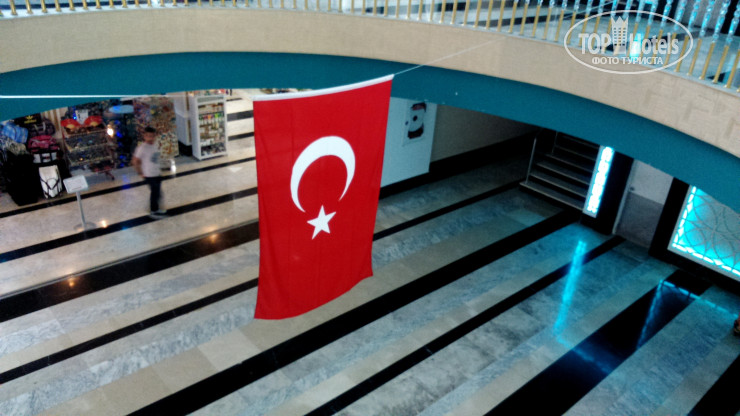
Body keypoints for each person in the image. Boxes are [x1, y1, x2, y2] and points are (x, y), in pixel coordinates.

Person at [132, 126, 167, 219]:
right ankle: (153, 211)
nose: (150, 138)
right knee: (155, 192)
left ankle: (156, 208)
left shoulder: (155, 145)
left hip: (157, 173)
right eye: (148, 136)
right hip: (149, 175)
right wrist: (140, 172)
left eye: (152, 136)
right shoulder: (142, 148)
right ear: (144, 136)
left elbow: (155, 159)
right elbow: (135, 161)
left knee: (158, 192)